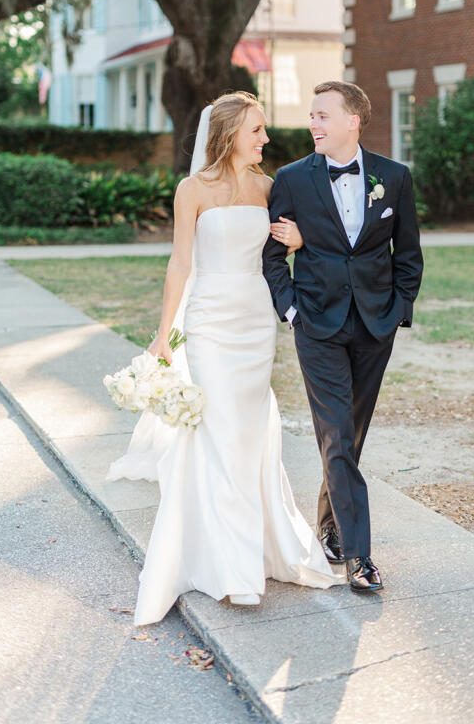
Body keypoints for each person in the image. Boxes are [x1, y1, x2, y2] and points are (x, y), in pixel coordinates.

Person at [106, 91, 344, 625]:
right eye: (257, 130)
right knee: (216, 431)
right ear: (230, 133)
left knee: (247, 432)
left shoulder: (271, 187)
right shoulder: (191, 190)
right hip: (210, 320)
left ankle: (256, 546)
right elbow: (179, 264)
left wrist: (302, 238)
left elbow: (298, 248)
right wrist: (163, 335)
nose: (266, 139)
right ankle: (231, 563)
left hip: (256, 320)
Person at [262, 80, 423, 594]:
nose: (314, 123)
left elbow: (409, 254)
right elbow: (272, 256)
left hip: (375, 324)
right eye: (312, 115)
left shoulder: (394, 178)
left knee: (349, 435)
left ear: (354, 120)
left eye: (323, 115)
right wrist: (291, 310)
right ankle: (359, 556)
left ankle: (330, 526)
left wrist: (399, 307)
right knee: (335, 433)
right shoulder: (290, 179)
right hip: (317, 324)